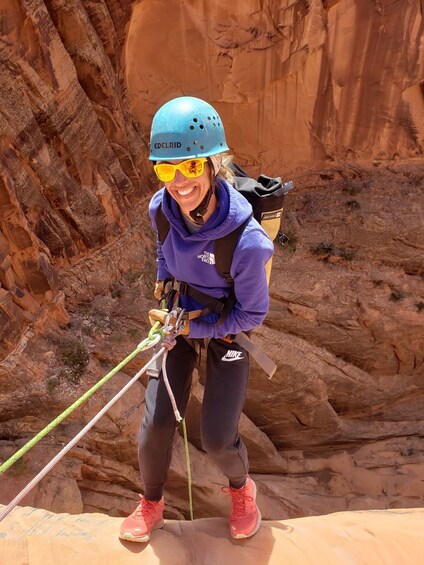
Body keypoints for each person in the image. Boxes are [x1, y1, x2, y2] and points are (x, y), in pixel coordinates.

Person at [119, 96, 274, 543]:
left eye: (188, 168)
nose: (177, 183)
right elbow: (163, 253)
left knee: (218, 437)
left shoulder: (248, 243)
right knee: (155, 426)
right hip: (181, 315)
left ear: (211, 165)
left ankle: (243, 490)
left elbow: (252, 314)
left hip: (226, 327)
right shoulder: (160, 210)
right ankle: (151, 504)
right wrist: (164, 288)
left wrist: (195, 328)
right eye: (165, 170)